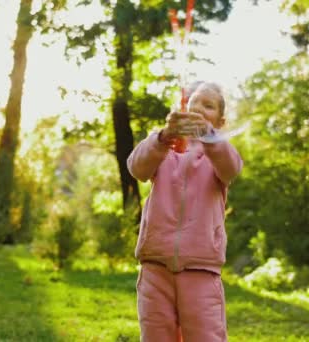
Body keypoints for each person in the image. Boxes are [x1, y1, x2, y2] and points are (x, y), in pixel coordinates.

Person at [127, 81, 243, 341]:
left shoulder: (217, 154)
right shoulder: (161, 148)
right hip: (155, 267)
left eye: (208, 105)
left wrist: (209, 135)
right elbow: (137, 169)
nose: (199, 109)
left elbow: (231, 168)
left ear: (220, 121)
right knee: (156, 335)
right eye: (194, 103)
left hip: (200, 270)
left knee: (205, 336)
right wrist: (163, 136)